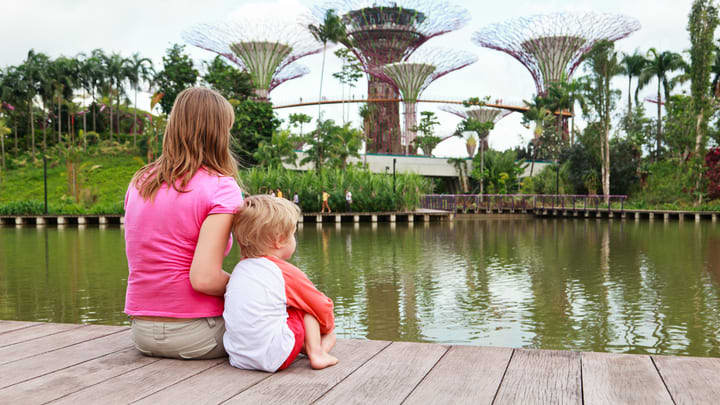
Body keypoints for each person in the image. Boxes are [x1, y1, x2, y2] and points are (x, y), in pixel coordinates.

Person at [124, 87, 244, 359]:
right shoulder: (221, 187)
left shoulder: (140, 183)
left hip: (142, 334)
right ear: (217, 133)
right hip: (199, 334)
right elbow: (204, 279)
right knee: (288, 311)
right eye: (227, 129)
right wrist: (251, 283)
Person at [224, 195, 338, 372]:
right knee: (306, 309)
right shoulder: (282, 272)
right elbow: (321, 306)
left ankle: (305, 346)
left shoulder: (240, 269)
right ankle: (317, 353)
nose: (294, 239)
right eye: (293, 234)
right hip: (274, 356)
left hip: (239, 357)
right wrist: (328, 330)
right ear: (278, 240)